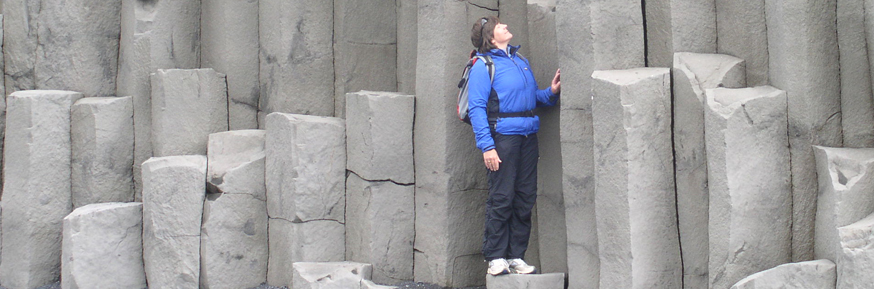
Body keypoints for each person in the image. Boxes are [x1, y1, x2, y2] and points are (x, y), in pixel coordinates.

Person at [467, 16, 561, 276]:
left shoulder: (520, 60)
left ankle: (516, 256)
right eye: (499, 26)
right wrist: (487, 147)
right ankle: (496, 257)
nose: (506, 26)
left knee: (525, 197)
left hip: (528, 138)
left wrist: (550, 93)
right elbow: (476, 108)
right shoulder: (483, 66)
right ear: (490, 36)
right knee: (502, 196)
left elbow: (530, 100)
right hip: (502, 139)